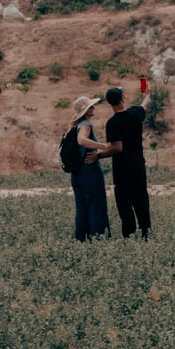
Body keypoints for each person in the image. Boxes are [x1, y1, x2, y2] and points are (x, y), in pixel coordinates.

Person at [104, 85, 152, 239]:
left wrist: (98, 155)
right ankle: (146, 232)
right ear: (122, 99)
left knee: (125, 202)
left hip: (122, 168)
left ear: (109, 103)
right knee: (141, 198)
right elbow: (146, 103)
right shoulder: (135, 113)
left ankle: (129, 234)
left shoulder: (112, 123)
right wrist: (148, 92)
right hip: (138, 164)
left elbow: (117, 148)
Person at [67, 96, 110, 241]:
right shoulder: (85, 123)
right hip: (90, 172)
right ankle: (99, 238)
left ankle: (82, 239)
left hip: (77, 173)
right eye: (91, 106)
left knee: (82, 208)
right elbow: (82, 140)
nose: (94, 108)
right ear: (86, 110)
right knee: (96, 206)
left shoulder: (75, 125)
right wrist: (103, 146)